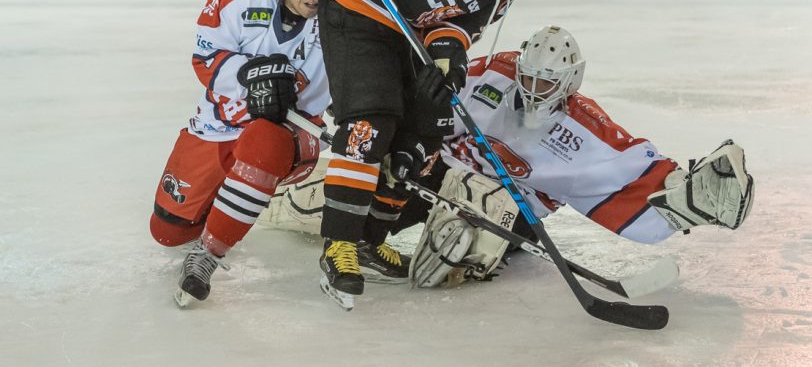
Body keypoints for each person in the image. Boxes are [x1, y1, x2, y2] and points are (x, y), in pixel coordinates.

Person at [262, 25, 754, 290]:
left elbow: (632, 170)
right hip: (438, 178)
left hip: (507, 212)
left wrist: (692, 193)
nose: (534, 90)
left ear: (570, 83)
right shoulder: (490, 76)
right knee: (315, 202)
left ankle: (475, 255)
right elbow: (425, 99)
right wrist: (396, 146)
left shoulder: (584, 127)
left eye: (547, 84)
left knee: (451, 250)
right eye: (530, 78)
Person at [309, 0, 595, 310]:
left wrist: (448, 61)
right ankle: (338, 244)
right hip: (357, 4)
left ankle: (370, 238)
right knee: (372, 119)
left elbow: (458, 24)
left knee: (428, 126)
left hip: (403, 27)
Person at [149, 0, 335, 307]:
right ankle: (247, 196)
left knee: (265, 140)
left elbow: (353, 85)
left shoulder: (341, 15)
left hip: (292, 135)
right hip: (218, 126)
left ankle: (208, 256)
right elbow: (205, 58)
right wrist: (251, 76)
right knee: (166, 232)